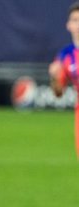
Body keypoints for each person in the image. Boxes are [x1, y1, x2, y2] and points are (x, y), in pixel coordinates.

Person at [49, 1, 79, 157]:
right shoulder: (65, 54)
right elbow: (59, 93)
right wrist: (55, 77)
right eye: (75, 20)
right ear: (68, 25)